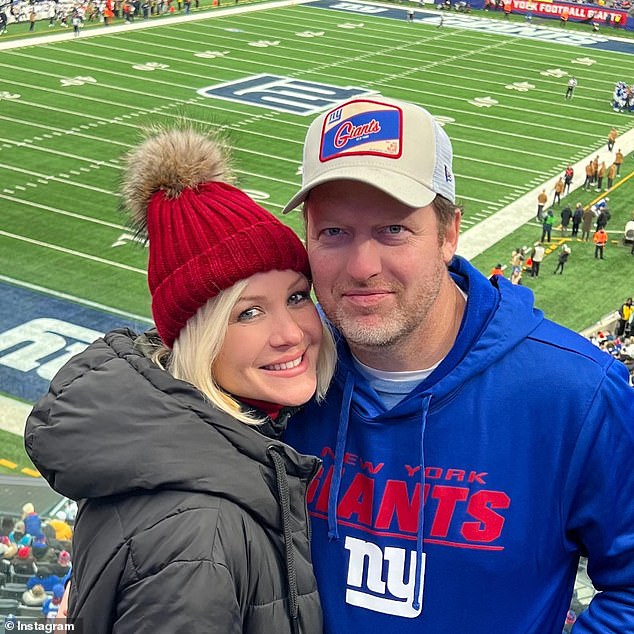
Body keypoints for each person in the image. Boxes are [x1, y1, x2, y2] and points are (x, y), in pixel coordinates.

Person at [282, 96, 634, 633]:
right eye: (333, 232)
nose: (362, 266)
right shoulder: (282, 380)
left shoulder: (574, 392)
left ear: (449, 234)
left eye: (393, 229)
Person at [25, 127, 337, 634]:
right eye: (249, 313)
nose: (291, 334)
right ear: (199, 337)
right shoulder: (196, 538)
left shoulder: (224, 438)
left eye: (297, 297)